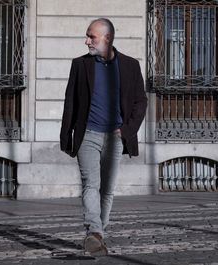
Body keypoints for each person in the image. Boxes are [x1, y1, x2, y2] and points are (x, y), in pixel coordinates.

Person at [60, 18, 147, 256]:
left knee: (107, 190)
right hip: (87, 133)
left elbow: (141, 101)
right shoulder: (80, 64)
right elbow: (71, 102)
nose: (87, 41)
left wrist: (127, 130)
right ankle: (95, 232)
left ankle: (97, 235)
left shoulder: (129, 65)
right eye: (87, 36)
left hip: (115, 136)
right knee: (91, 185)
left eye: (92, 36)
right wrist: (66, 138)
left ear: (107, 39)